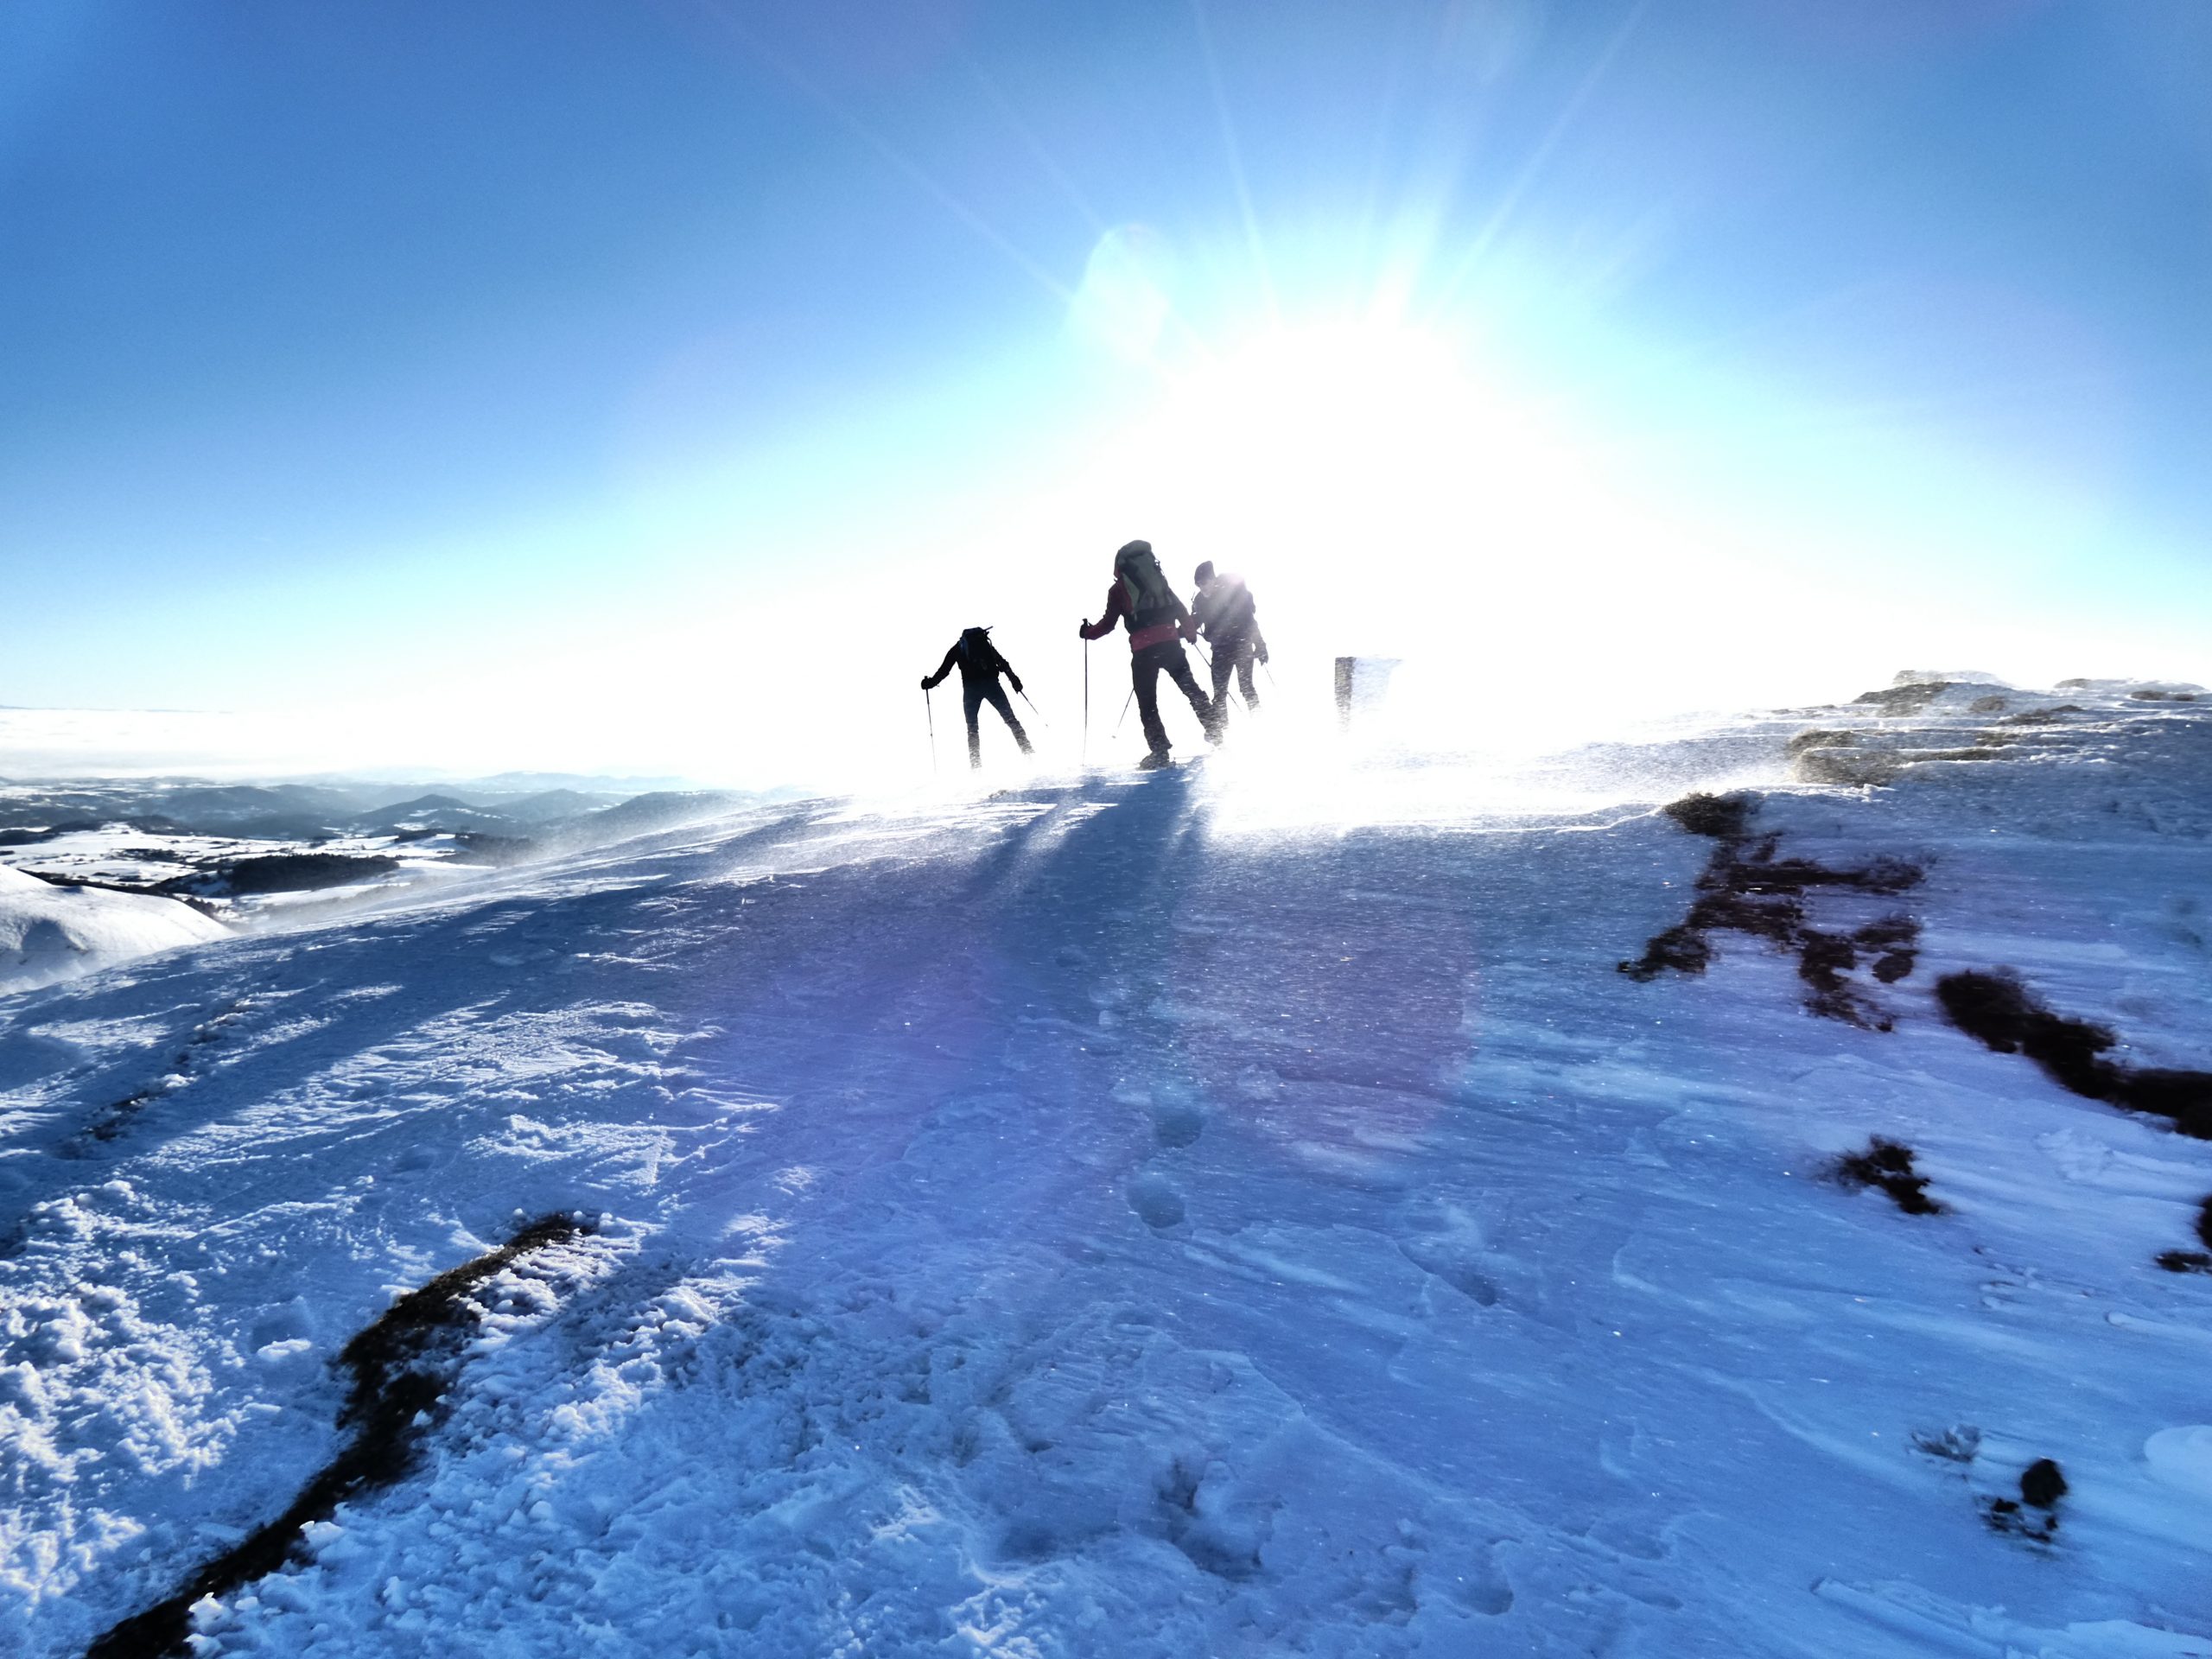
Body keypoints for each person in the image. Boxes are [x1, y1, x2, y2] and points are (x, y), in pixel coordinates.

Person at [1078, 539, 1219, 769]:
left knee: (1148, 702)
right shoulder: (1159, 582)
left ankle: (1160, 751)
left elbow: (1108, 625)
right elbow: (1181, 609)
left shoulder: (1118, 590)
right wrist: (1191, 633)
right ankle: (1215, 729)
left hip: (1144, 652)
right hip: (1171, 644)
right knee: (1190, 688)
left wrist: (1087, 632)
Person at [922, 626, 1033, 769]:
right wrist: (1014, 681)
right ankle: (1028, 752)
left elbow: (944, 671)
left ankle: (976, 765)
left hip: (970, 690)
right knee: (1011, 720)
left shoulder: (958, 648)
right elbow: (1002, 663)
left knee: (972, 728)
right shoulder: (985, 644)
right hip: (992, 686)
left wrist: (929, 683)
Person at [1191, 560, 1267, 723]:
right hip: (1220, 650)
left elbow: (1249, 621)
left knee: (1246, 688)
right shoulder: (1200, 601)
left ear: (1213, 579)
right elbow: (1194, 622)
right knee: (1220, 692)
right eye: (1198, 584)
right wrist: (1177, 632)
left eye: (1204, 582)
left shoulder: (1232, 594)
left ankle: (1259, 723)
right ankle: (1221, 730)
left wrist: (1260, 645)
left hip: (1241, 645)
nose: (1202, 587)